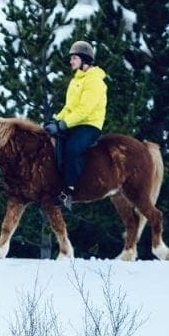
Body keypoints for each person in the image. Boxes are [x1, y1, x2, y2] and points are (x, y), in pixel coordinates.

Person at [43, 40, 108, 210]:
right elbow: (69, 107)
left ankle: (69, 192)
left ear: (84, 60)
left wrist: (63, 125)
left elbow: (85, 110)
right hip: (74, 123)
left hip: (89, 125)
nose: (71, 61)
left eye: (74, 58)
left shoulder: (94, 81)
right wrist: (56, 121)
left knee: (72, 149)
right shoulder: (76, 80)